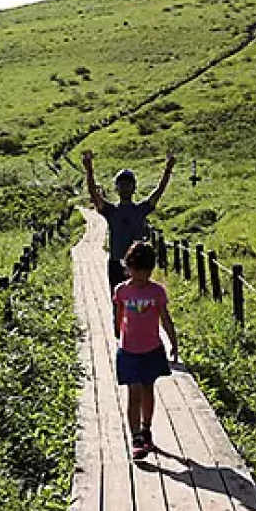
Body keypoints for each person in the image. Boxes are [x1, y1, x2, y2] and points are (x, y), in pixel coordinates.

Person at [112, 240, 179, 460]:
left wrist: (173, 342)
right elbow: (119, 313)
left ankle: (146, 428)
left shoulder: (157, 292)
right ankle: (136, 438)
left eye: (146, 272)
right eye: (137, 271)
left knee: (148, 390)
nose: (141, 276)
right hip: (129, 350)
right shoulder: (121, 290)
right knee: (133, 393)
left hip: (152, 349)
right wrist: (116, 331)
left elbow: (165, 318)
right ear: (128, 268)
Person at [82, 148, 176, 302]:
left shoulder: (141, 209)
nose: (125, 187)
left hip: (140, 265)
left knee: (140, 304)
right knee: (118, 305)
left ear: (134, 188)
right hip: (116, 264)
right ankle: (118, 328)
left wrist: (168, 169)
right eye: (122, 184)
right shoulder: (111, 211)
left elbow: (159, 191)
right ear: (116, 188)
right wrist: (89, 171)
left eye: (128, 184)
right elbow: (94, 194)